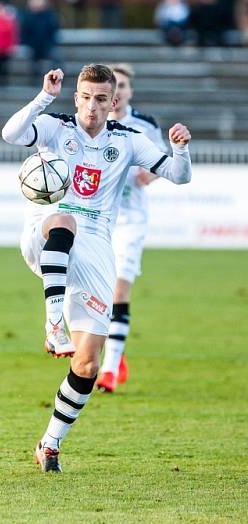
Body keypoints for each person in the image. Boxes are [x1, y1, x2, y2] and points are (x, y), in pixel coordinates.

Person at [1, 65, 192, 472]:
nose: (92, 106)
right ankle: (54, 323)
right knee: (63, 221)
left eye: (101, 98)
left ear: (114, 102)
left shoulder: (127, 141)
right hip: (47, 226)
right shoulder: (55, 126)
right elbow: (11, 134)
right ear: (76, 98)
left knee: (88, 360)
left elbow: (179, 175)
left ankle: (50, 442)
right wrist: (43, 97)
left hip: (98, 245)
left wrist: (180, 148)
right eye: (85, 97)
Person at [95, 64, 168, 393]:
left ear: (129, 91)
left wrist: (150, 174)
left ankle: (109, 370)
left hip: (131, 218)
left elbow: (163, 162)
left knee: (119, 290)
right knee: (95, 292)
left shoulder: (144, 125)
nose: (119, 91)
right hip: (96, 217)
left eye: (123, 85)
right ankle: (114, 348)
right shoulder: (90, 120)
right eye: (115, 86)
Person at [20, 0, 61, 85]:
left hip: (47, 46)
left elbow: (53, 31)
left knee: (56, 61)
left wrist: (50, 44)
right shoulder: (27, 16)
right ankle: (33, 82)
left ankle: (56, 81)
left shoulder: (50, 16)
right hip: (33, 46)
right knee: (33, 65)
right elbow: (24, 32)